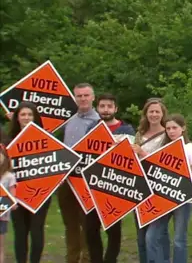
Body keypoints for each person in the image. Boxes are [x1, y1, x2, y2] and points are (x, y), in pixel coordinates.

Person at [84, 93, 135, 263]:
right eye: (102, 106)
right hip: (93, 188)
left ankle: (110, 260)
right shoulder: (91, 128)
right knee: (91, 229)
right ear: (97, 108)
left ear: (116, 108)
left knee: (113, 230)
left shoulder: (126, 130)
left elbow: (129, 160)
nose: (105, 110)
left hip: (115, 187)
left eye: (109, 106)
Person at [145, 114, 192, 263]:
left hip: (184, 198)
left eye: (174, 128)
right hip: (163, 197)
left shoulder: (190, 148)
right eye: (168, 128)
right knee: (152, 236)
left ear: (183, 128)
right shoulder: (163, 148)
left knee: (179, 239)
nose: (171, 131)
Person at [59, 83, 100, 263]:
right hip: (66, 180)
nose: (83, 99)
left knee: (88, 224)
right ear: (75, 98)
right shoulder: (69, 120)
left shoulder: (99, 123)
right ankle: (72, 258)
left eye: (86, 95)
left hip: (86, 181)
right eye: (79, 96)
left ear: (93, 97)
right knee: (70, 224)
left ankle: (87, 259)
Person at [8, 102, 52, 263]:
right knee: (19, 231)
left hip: (41, 194)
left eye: (30, 114)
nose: (26, 118)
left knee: (36, 230)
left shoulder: (47, 139)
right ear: (17, 118)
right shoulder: (9, 141)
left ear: (35, 117)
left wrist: (58, 178)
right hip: (15, 193)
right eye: (23, 115)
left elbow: (58, 164)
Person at [131, 98, 169, 263]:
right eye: (151, 111)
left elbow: (166, 162)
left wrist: (142, 153)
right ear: (146, 114)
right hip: (139, 188)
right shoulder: (139, 134)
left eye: (157, 111)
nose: (154, 114)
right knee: (141, 235)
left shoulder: (168, 134)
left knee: (153, 236)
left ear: (162, 114)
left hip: (159, 189)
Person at [0, 144, 16, 263]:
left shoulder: (9, 177)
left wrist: (12, 202)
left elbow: (12, 195)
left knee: (0, 246)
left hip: (2, 217)